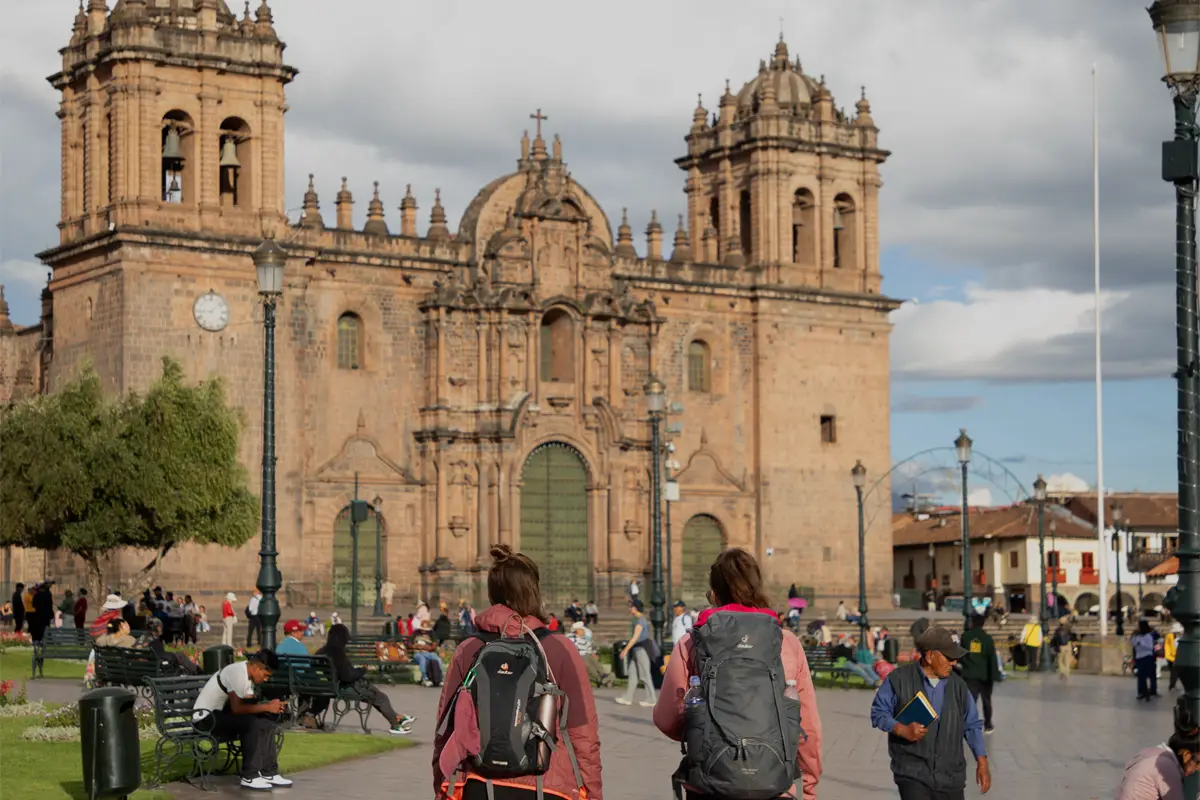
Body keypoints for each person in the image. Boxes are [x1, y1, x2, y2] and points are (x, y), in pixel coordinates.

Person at [432, 543, 603, 800]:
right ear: (534, 591)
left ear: (493, 592)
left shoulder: (469, 650)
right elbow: (583, 735)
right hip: (548, 786)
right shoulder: (559, 649)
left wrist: (442, 787)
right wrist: (593, 793)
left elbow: (445, 731)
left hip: (478, 783)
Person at [654, 548, 823, 800]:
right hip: (774, 782)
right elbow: (806, 725)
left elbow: (666, 718)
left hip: (709, 782)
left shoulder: (693, 642)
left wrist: (703, 730)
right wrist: (808, 786)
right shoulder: (786, 642)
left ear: (714, 592)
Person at [870, 626, 991, 799]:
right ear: (929, 656)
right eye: (949, 658)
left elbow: (971, 724)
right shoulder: (898, 679)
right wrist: (901, 729)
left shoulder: (959, 686)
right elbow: (878, 713)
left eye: (955, 658)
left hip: (951, 776)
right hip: (913, 773)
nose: (954, 663)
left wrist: (982, 761)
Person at [192, 649, 292, 791]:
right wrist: (266, 706)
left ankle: (268, 771)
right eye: (265, 675)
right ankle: (249, 776)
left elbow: (249, 706)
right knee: (250, 723)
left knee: (265, 720)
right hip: (205, 718)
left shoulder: (248, 676)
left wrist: (271, 707)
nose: (266, 679)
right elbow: (237, 709)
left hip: (221, 714)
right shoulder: (237, 673)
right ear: (257, 667)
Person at [315, 624, 415, 734]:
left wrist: (356, 671)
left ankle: (397, 718)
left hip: (329, 686)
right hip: (342, 688)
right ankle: (395, 724)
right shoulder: (338, 654)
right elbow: (347, 676)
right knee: (380, 697)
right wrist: (363, 670)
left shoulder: (321, 652)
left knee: (376, 694)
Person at [1115, 722, 1200, 799]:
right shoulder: (1169, 767)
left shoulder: (1152, 752)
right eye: (1198, 763)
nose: (1198, 768)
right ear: (1186, 755)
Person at [959, 614, 999, 734]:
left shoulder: (966, 637)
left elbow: (961, 654)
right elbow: (992, 658)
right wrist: (994, 675)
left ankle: (968, 724)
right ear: (983, 624)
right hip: (985, 675)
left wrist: (965, 665)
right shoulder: (987, 638)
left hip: (970, 674)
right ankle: (988, 724)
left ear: (972, 623)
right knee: (986, 701)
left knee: (970, 701)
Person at [616, 601, 657, 707]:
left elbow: (635, 637)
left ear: (635, 608)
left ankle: (652, 699)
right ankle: (628, 698)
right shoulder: (640, 620)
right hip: (637, 649)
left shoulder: (640, 620)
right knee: (632, 673)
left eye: (631, 607)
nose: (629, 609)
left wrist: (625, 650)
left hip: (641, 649)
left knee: (644, 674)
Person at [570, 621, 614, 688]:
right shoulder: (572, 638)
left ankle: (604, 677)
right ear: (577, 630)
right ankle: (601, 679)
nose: (584, 631)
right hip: (580, 656)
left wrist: (593, 653)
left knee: (597, 664)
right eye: (582, 630)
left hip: (588, 654)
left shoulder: (584, 639)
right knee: (589, 666)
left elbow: (589, 648)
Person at [1132, 619, 1161, 701]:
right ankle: (1142, 692)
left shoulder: (1148, 636)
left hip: (1147, 657)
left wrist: (1141, 643)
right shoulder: (1137, 636)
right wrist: (1135, 639)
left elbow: (1149, 647)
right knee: (1141, 676)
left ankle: (1148, 692)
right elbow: (1133, 644)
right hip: (1139, 657)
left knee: (1146, 675)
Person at [411, 620, 445, 687]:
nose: (424, 631)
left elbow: (433, 646)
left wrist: (424, 647)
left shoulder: (431, 633)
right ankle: (425, 679)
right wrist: (415, 646)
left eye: (425, 629)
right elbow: (409, 643)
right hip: (418, 653)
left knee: (438, 659)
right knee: (422, 659)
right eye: (422, 629)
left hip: (429, 652)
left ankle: (440, 679)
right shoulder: (415, 633)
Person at [1166, 621, 1182, 691]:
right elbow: (1173, 647)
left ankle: (1173, 685)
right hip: (1173, 656)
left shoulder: (1173, 636)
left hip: (1173, 656)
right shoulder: (1171, 636)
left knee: (1175, 672)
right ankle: (1172, 685)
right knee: (1174, 672)